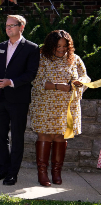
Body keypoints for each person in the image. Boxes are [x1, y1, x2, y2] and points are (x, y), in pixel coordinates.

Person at [30, 30, 89, 187]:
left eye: (65, 46)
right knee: (45, 136)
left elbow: (85, 77)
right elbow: (36, 81)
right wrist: (58, 86)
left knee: (60, 137)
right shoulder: (42, 59)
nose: (61, 49)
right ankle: (42, 173)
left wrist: (80, 82)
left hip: (66, 108)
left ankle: (56, 172)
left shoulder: (75, 59)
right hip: (45, 106)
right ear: (51, 45)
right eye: (58, 46)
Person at [0, 15, 40, 186]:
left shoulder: (31, 48)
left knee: (17, 137)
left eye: (12, 25)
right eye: (7, 25)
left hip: (18, 99)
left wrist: (10, 82)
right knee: (0, 136)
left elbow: (31, 74)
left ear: (21, 27)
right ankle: (2, 169)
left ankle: (12, 173)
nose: (8, 28)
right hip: (0, 99)